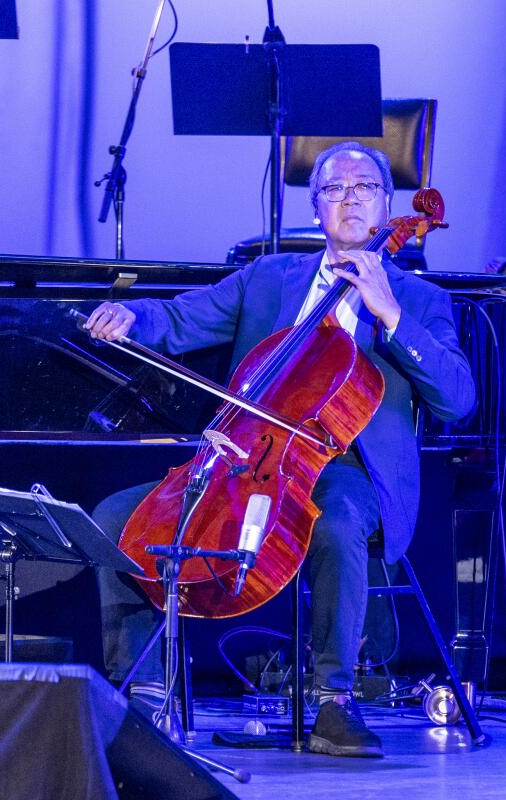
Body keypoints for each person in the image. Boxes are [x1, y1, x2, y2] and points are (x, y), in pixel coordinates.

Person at [85, 141, 475, 758]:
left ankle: (335, 704)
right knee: (115, 520)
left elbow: (458, 399)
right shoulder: (270, 278)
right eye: (334, 190)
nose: (349, 200)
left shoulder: (421, 300)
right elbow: (183, 318)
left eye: (364, 189)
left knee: (337, 523)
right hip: (247, 459)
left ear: (386, 207)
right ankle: (145, 698)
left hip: (350, 467)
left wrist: (392, 317)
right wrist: (132, 316)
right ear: (316, 208)